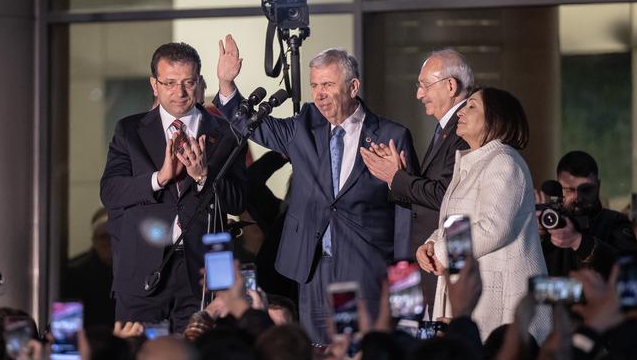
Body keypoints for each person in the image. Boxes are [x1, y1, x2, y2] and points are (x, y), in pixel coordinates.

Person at [214, 34, 418, 343]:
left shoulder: (391, 135)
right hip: (312, 267)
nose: (319, 95)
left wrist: (404, 271)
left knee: (358, 350)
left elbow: (406, 209)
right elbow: (252, 126)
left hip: (365, 264)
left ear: (353, 87)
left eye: (328, 85)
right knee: (318, 349)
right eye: (315, 86)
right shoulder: (304, 127)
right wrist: (227, 85)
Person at [100, 42, 246, 332]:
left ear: (199, 82)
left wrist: (204, 177)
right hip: (142, 270)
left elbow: (238, 202)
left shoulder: (226, 133)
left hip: (203, 274)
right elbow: (111, 192)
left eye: (188, 83)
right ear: (154, 85)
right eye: (169, 83)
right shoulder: (129, 131)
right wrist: (160, 178)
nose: (179, 93)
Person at [416, 87, 547, 341]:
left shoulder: (504, 161)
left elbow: (492, 227)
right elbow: (458, 225)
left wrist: (442, 251)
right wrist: (431, 244)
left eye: (472, 106)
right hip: (471, 290)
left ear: (496, 118)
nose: (461, 113)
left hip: (500, 300)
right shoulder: (472, 164)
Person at [361, 48, 473, 312]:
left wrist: (396, 177)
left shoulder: (463, 130)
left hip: (443, 258)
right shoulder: (445, 129)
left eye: (424, 85)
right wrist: (399, 177)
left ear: (450, 85)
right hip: (424, 258)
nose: (419, 94)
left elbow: (444, 196)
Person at [537, 151, 637, 278]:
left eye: (586, 190)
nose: (577, 198)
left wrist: (579, 242)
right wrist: (535, 236)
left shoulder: (615, 222)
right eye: (569, 190)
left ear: (598, 186)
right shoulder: (546, 223)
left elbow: (630, 270)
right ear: (558, 188)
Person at [61, 208, 115, 328]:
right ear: (94, 240)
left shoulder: (137, 272)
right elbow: (68, 323)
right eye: (103, 237)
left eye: (114, 236)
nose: (109, 242)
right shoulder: (74, 273)